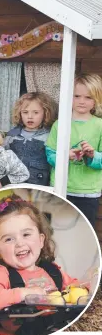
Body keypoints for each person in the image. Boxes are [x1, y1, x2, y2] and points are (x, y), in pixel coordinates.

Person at [0, 195, 82, 335]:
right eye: (8, 239)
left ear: (41, 240)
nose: (20, 243)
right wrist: (23, 293)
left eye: (26, 235)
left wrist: (86, 286)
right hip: (26, 328)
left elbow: (75, 286)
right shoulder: (0, 272)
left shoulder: (51, 270)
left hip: (58, 321)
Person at [46, 73, 102, 227]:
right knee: (57, 232)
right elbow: (50, 154)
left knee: (83, 232)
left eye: (88, 97)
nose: (81, 101)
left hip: (88, 191)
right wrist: (65, 156)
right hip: (60, 188)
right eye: (76, 96)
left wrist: (92, 155)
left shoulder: (99, 125)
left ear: (96, 100)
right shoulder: (60, 123)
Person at [3, 92, 56, 186]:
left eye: (35, 112)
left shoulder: (49, 136)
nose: (30, 116)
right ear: (20, 113)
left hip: (40, 186)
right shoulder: (12, 135)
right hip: (13, 185)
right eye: (25, 112)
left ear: (45, 112)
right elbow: (3, 159)